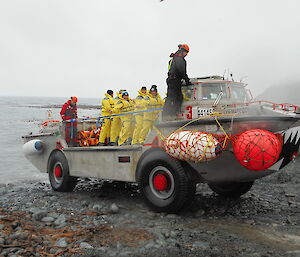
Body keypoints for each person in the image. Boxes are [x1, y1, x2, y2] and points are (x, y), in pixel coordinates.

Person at [162, 44, 191, 119]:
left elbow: (171, 70)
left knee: (170, 97)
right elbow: (182, 72)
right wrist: (187, 81)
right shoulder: (180, 60)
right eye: (186, 52)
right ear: (182, 51)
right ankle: (172, 114)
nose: (186, 55)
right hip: (175, 80)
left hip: (170, 80)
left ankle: (166, 114)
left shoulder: (172, 59)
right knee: (178, 98)